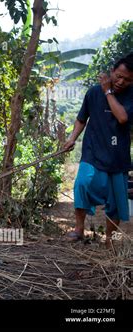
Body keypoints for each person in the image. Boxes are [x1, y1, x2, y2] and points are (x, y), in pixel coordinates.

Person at [63, 53, 133, 247]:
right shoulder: (94, 93)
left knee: (116, 204)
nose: (121, 82)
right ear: (112, 71)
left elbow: (122, 117)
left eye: (127, 80)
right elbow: (81, 118)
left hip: (117, 157)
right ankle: (78, 229)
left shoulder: (130, 95)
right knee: (82, 184)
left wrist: (108, 91)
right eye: (118, 76)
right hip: (92, 152)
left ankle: (109, 240)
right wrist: (71, 139)